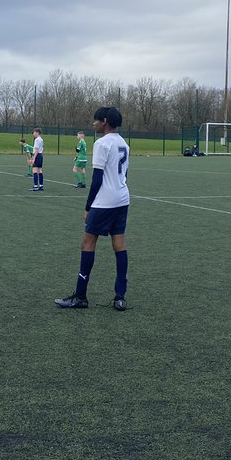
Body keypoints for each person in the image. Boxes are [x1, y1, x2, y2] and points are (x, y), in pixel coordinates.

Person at [56, 107, 131, 311]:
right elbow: (125, 174)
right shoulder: (124, 143)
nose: (93, 125)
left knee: (88, 243)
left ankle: (80, 296)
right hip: (122, 199)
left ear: (104, 121)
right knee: (119, 245)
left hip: (104, 202)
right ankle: (120, 297)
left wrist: (88, 207)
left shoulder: (101, 143)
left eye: (95, 121)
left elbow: (97, 179)